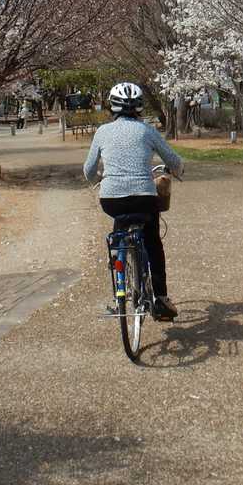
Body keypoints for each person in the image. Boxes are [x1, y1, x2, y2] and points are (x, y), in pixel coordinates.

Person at [82, 82, 185, 322]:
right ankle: (160, 298)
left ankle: (118, 261)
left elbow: (88, 170)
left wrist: (98, 179)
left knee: (121, 221)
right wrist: (178, 170)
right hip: (143, 198)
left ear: (112, 106)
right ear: (139, 107)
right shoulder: (147, 131)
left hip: (111, 200)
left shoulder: (102, 132)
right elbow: (173, 160)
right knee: (153, 243)